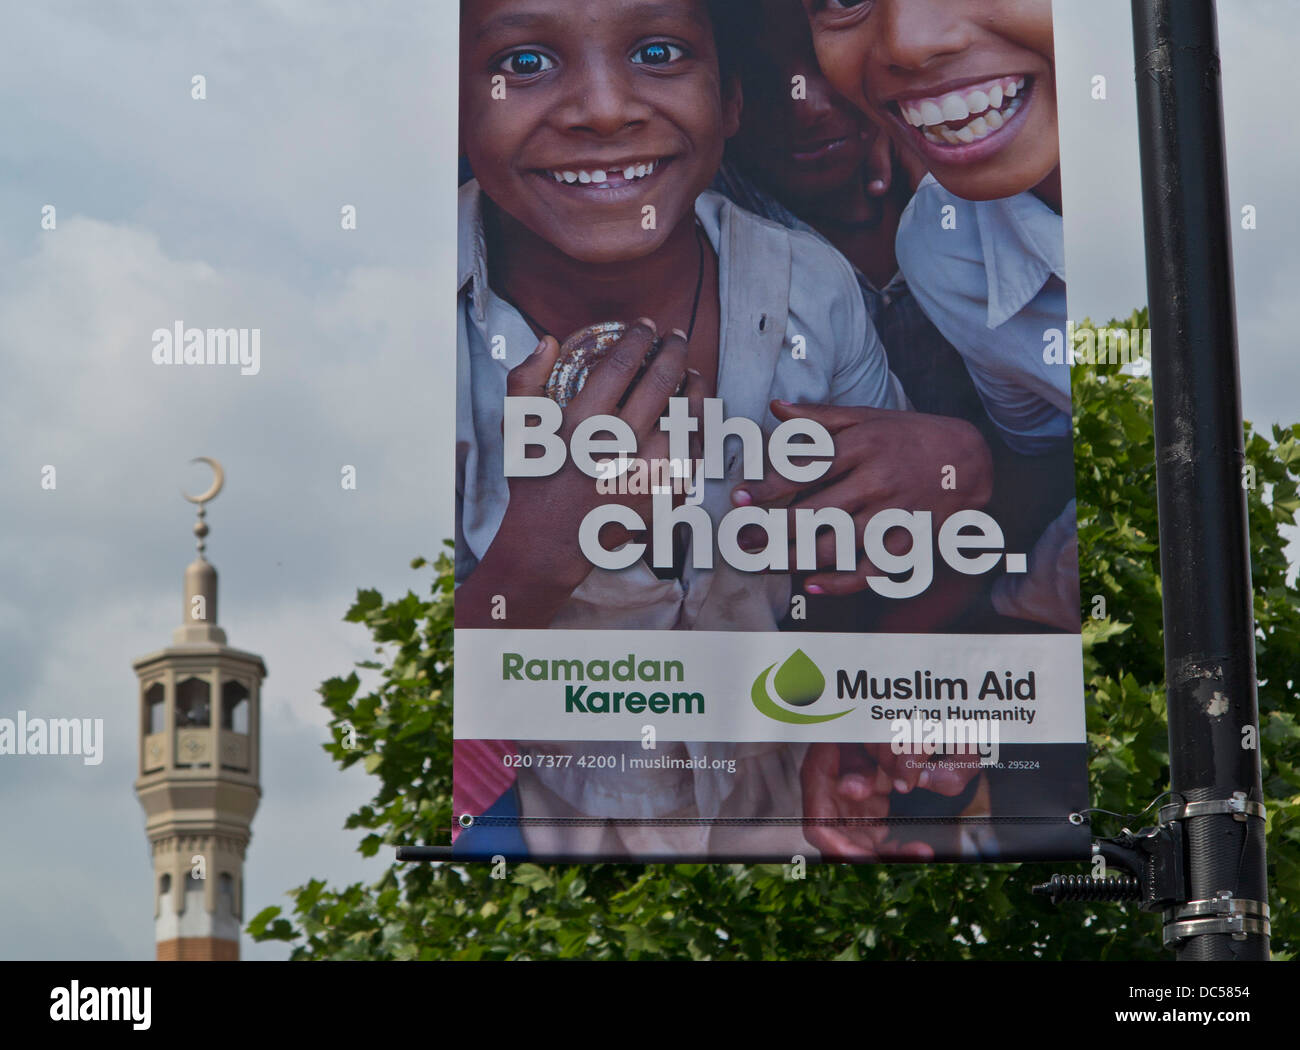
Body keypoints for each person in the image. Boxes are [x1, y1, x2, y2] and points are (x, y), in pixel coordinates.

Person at [452, 0, 992, 859]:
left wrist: (959, 478)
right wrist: (533, 563)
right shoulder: (411, 343)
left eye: (658, 51)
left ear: (730, 103)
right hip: (521, 843)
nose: (604, 108)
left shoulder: (806, 286)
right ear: (451, 105)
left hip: (778, 820)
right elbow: (384, 727)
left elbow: (873, 571)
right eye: (523, 63)